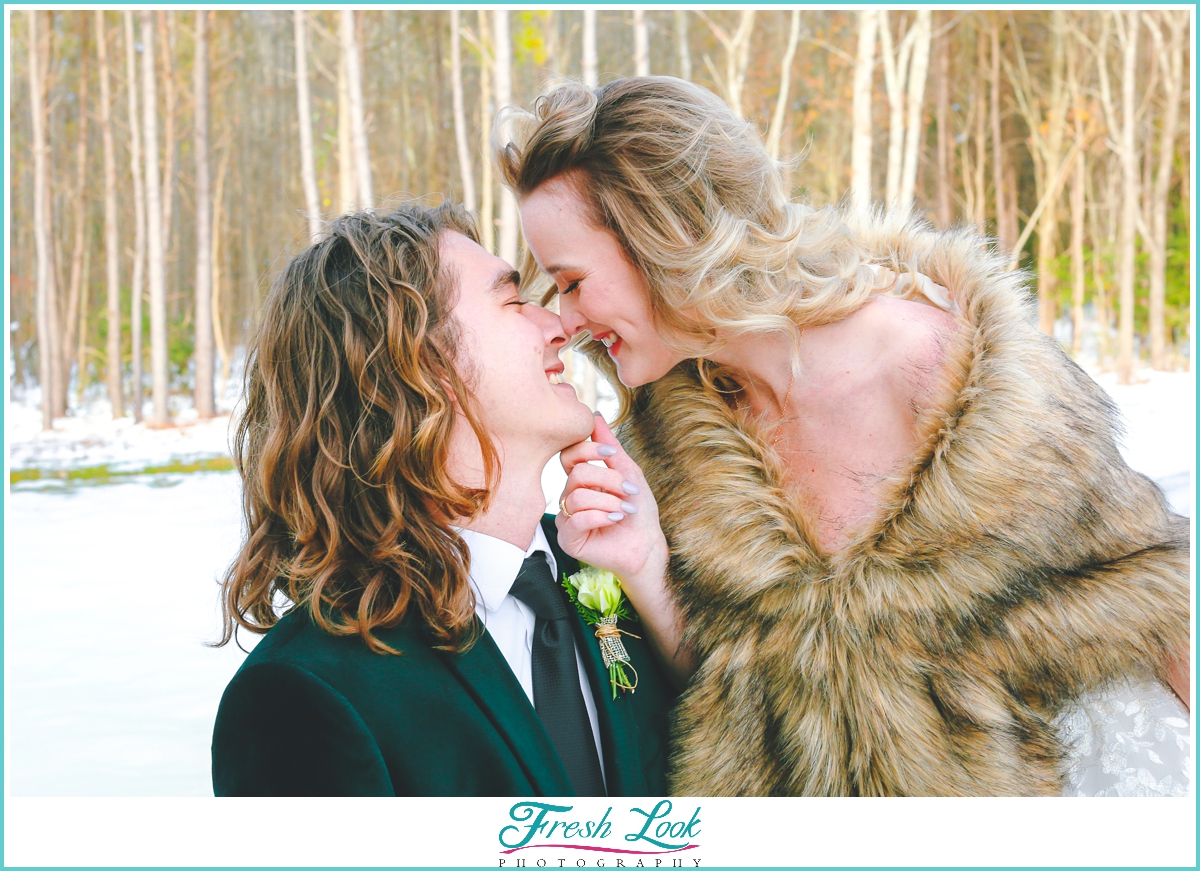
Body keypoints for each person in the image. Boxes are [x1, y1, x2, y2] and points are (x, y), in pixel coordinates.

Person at [495, 76, 1191, 796]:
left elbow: (1161, 595)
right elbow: (724, 686)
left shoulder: (978, 385)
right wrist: (643, 563)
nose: (567, 320)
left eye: (572, 281)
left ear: (665, 238)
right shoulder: (664, 436)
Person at [210, 203, 675, 796]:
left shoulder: (628, 578)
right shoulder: (302, 695)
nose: (562, 326)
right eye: (512, 302)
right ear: (413, 365)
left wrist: (649, 575)